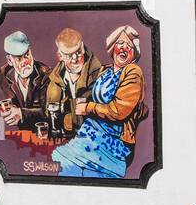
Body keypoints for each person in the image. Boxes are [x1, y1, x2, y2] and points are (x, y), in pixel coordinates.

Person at [52, 25, 146, 178]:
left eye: (129, 46)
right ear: (112, 47)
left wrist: (89, 108)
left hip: (112, 141)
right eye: (120, 44)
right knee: (66, 167)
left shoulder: (132, 71)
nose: (123, 49)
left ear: (134, 52)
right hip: (89, 133)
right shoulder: (105, 71)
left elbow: (118, 111)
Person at [44, 28, 104, 137]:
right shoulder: (55, 80)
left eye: (78, 52)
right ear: (60, 56)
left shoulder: (99, 76)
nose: (75, 59)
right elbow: (48, 113)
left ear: (83, 48)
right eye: (69, 55)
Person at [0, 31, 49, 132]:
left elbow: (48, 111)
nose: (25, 62)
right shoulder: (3, 73)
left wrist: (21, 113)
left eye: (27, 55)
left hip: (41, 133)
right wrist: (8, 111)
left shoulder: (46, 74)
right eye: (19, 58)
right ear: (9, 61)